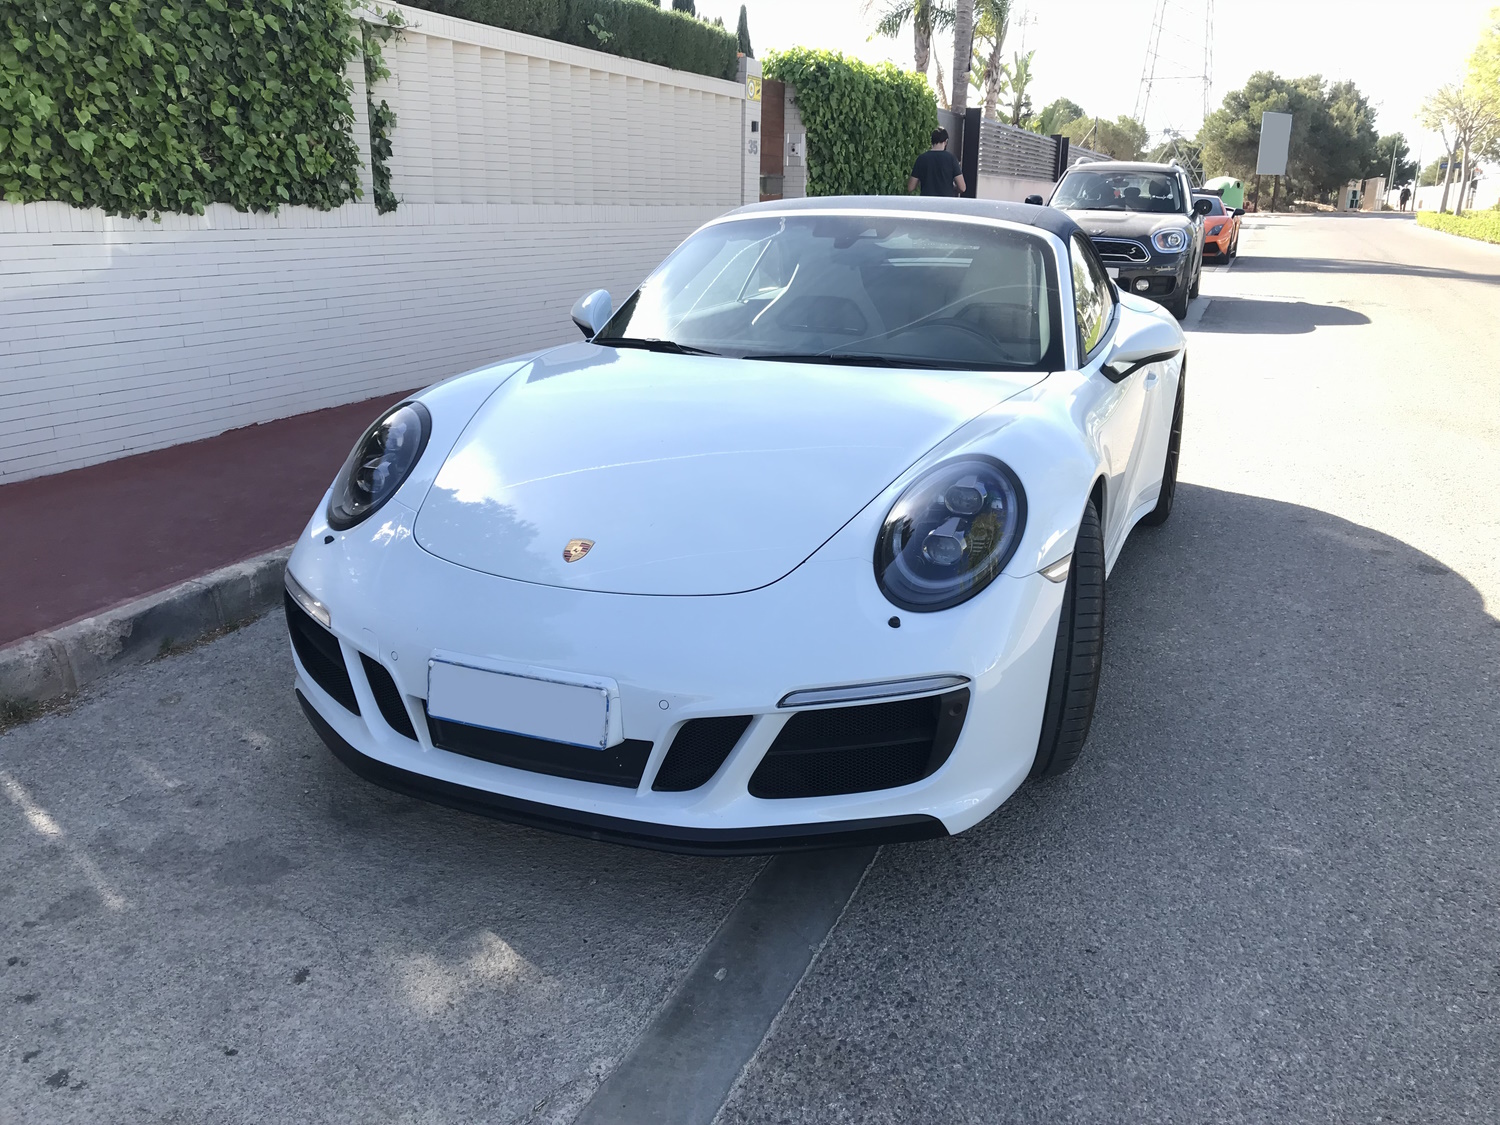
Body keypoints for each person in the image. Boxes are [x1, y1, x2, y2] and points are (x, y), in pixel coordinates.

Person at [908, 129, 966, 197]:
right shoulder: (951, 159)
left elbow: (910, 187)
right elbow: (962, 187)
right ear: (946, 141)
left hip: (927, 202)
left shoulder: (921, 159)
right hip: (946, 202)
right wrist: (953, 188)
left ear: (932, 141)